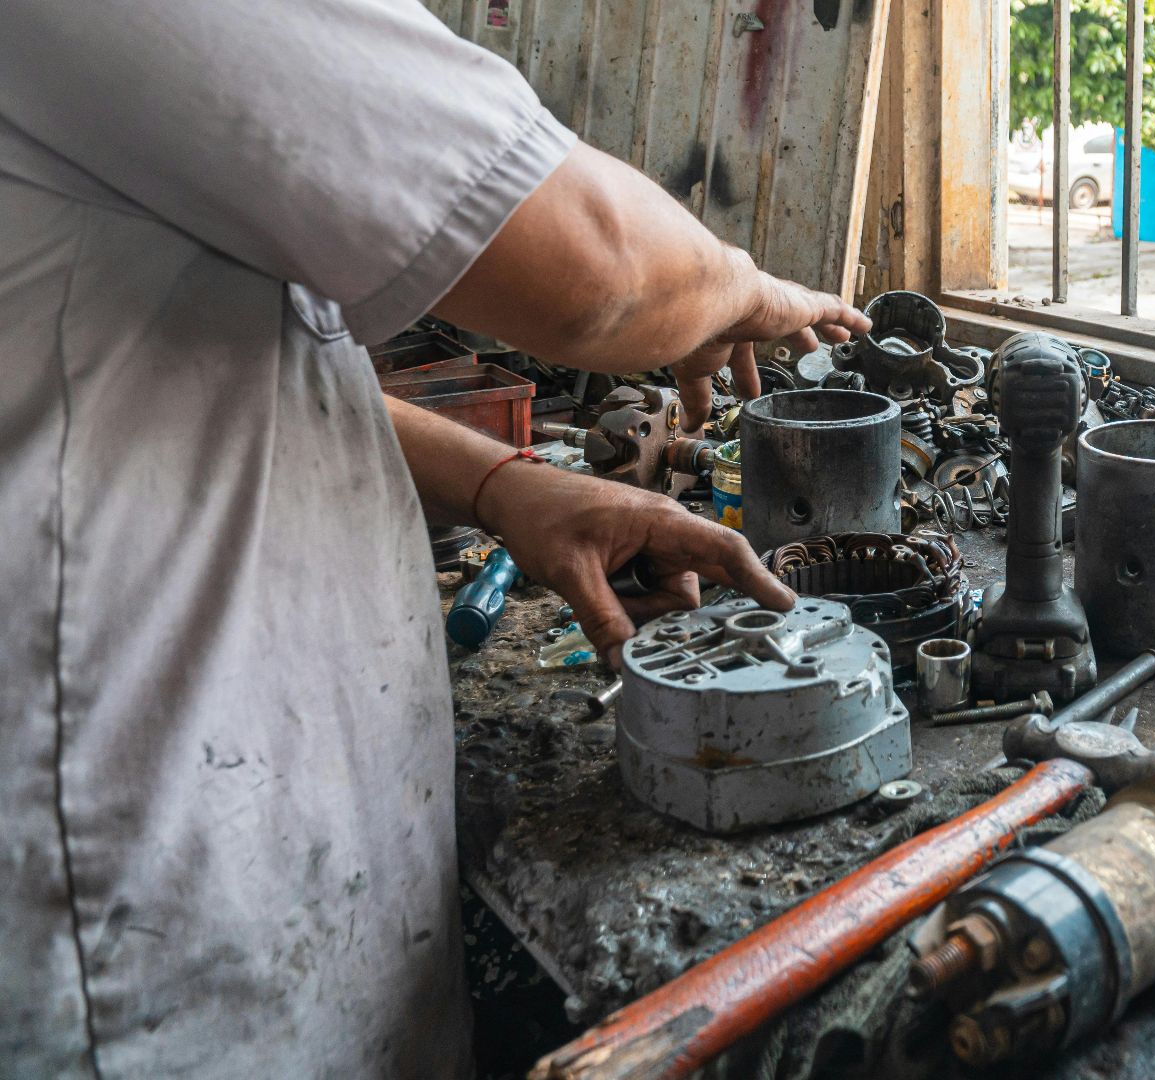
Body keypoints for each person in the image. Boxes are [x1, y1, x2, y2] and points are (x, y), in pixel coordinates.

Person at [0, 2, 870, 1076]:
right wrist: (747, 286)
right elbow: (594, 267)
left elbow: (179, 345)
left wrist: (506, 487)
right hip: (143, 920)